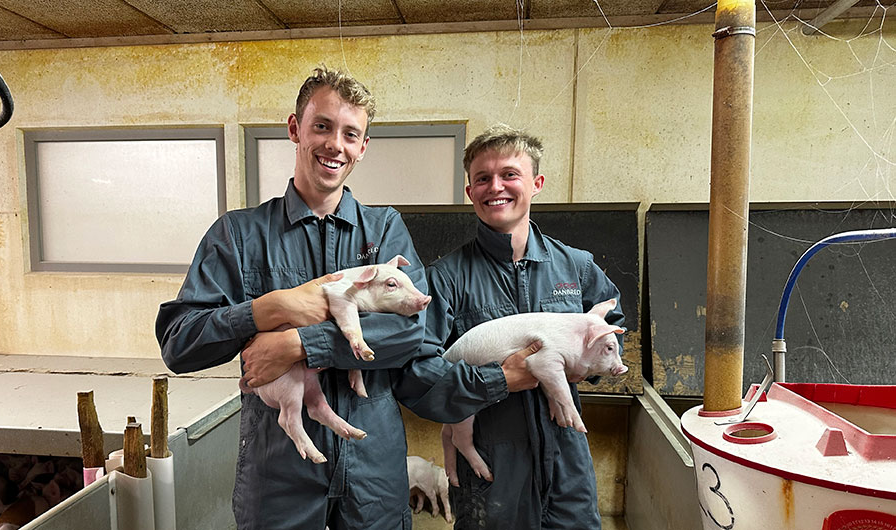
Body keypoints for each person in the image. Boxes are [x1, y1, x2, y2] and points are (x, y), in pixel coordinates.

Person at [155, 67, 536, 530]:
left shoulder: (383, 229)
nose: (336, 144)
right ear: (295, 129)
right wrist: (267, 308)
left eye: (350, 134)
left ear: (363, 147)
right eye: (323, 126)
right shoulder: (238, 235)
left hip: (372, 465)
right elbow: (179, 345)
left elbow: (411, 332)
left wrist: (300, 344)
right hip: (278, 469)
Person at [396, 124, 625, 530]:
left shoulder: (577, 266)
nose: (495, 186)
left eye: (509, 174)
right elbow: (416, 375)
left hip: (567, 462)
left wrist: (579, 367)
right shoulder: (445, 279)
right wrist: (500, 379)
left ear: (536, 183)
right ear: (470, 192)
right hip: (491, 471)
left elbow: (611, 332)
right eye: (482, 178)